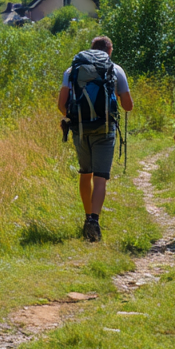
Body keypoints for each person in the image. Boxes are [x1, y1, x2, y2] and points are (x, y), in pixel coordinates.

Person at [58, 36, 134, 242]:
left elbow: (61, 104)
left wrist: (77, 117)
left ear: (91, 48)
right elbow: (128, 106)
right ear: (109, 50)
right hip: (105, 129)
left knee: (85, 173)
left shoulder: (72, 70)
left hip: (80, 129)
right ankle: (94, 220)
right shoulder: (115, 69)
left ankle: (86, 216)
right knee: (100, 177)